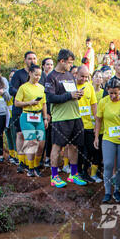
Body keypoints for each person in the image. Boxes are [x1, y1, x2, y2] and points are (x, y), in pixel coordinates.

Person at [45, 48, 86, 188]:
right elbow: (50, 98)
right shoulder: (51, 77)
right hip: (61, 119)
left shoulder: (69, 75)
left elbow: (71, 93)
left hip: (75, 115)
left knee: (74, 146)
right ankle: (54, 176)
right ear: (61, 61)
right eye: (69, 63)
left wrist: (77, 94)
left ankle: (73, 174)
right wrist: (70, 96)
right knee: (57, 147)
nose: (70, 65)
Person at [95, 77, 120, 204]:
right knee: (109, 164)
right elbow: (98, 120)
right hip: (108, 138)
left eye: (116, 93)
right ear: (107, 91)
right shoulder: (103, 102)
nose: (113, 96)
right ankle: (107, 192)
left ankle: (117, 190)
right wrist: (96, 137)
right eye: (111, 93)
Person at [14, 63, 48, 177]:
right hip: (27, 116)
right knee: (31, 142)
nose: (37, 77)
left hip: (38, 117)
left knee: (41, 144)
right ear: (30, 73)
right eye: (35, 74)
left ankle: (36, 165)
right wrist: (29, 103)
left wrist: (45, 118)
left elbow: (44, 104)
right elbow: (17, 103)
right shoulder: (23, 87)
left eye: (39, 75)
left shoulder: (42, 88)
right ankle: (31, 167)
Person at [9, 50, 37, 172]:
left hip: (34, 111)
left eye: (34, 58)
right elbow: (11, 90)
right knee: (20, 134)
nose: (32, 61)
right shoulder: (18, 74)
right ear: (25, 60)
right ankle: (21, 162)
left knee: (31, 136)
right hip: (19, 109)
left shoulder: (39, 74)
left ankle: (32, 162)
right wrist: (24, 96)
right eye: (30, 58)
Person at [76, 65, 98, 183]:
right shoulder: (72, 87)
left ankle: (85, 171)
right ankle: (78, 171)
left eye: (86, 76)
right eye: (82, 76)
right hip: (76, 124)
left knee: (90, 149)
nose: (84, 79)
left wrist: (96, 123)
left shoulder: (89, 87)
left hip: (88, 124)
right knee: (80, 150)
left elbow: (94, 105)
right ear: (76, 74)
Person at [4, 68, 17, 164]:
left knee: (15, 135)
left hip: (14, 114)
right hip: (5, 114)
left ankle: (17, 156)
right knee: (8, 134)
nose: (12, 79)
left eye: (14, 77)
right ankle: (11, 154)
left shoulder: (18, 88)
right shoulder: (5, 87)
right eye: (10, 77)